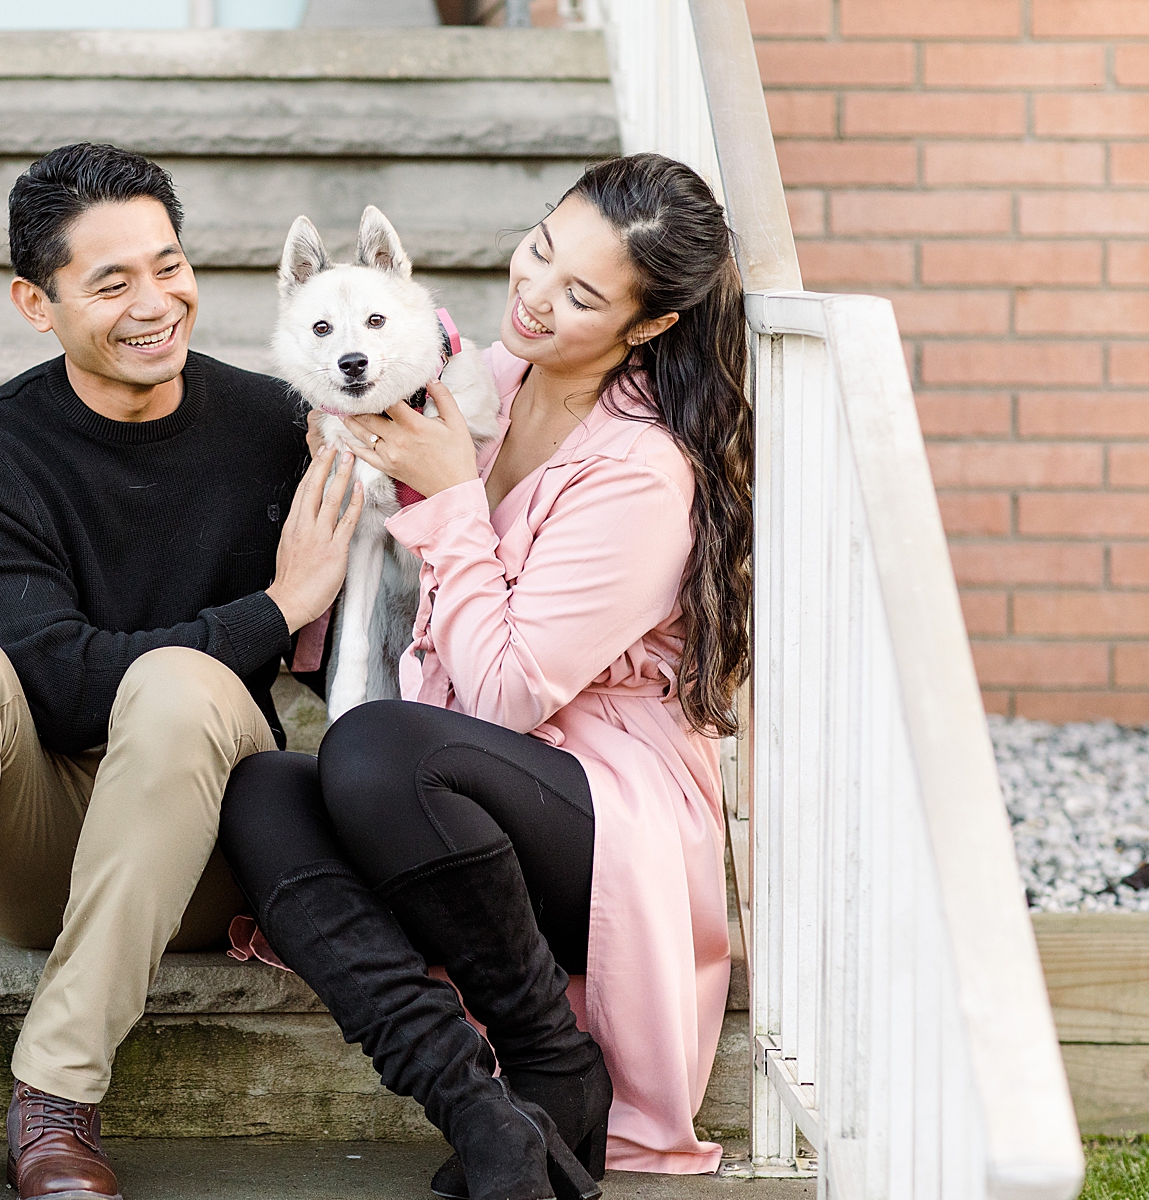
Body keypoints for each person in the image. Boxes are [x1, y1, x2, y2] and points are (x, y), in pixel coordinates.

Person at [218, 153, 754, 1199]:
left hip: (599, 804)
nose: (536, 294)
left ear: (646, 327)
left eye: (582, 295)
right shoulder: (485, 386)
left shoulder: (639, 468)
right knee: (260, 785)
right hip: (457, 783)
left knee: (373, 753)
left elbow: (511, 693)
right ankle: (479, 1107)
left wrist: (454, 496)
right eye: (540, 250)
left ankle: (554, 1064)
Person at [0, 142, 365, 1200]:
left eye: (169, 265)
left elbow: (372, 651)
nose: (154, 303)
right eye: (110, 280)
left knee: (179, 690)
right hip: (38, 848)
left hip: (213, 840)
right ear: (38, 304)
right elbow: (62, 684)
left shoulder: (283, 427)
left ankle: (56, 1100)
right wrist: (275, 608)